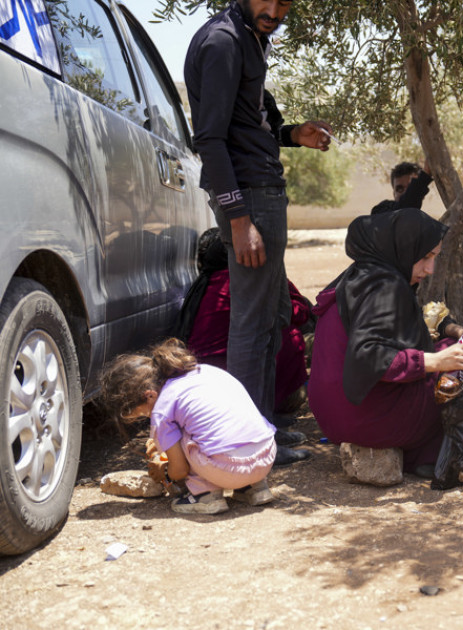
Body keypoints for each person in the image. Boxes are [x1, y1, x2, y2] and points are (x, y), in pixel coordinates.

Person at [184, 0, 333, 466]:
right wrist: (238, 216)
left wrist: (293, 135)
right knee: (251, 322)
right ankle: (246, 439)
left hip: (260, 188)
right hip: (248, 196)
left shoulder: (250, 38)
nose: (274, 9)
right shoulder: (224, 42)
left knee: (271, 316)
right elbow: (209, 137)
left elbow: (250, 124)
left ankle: (263, 424)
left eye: (284, 2)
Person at [307, 208, 463, 475]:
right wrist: (435, 360)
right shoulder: (385, 288)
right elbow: (369, 356)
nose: (430, 269)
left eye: (434, 258)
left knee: (446, 354)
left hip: (332, 415)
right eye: (424, 257)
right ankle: (430, 454)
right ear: (404, 249)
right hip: (363, 417)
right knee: (461, 366)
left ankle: (420, 453)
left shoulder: (359, 277)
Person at [100, 339, 278, 515]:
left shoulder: (162, 409)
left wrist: (166, 473)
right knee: (214, 428)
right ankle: (254, 488)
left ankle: (206, 496)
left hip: (228, 469)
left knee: (181, 437)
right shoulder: (204, 371)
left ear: (149, 395)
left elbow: (180, 470)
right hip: (266, 457)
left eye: (142, 413)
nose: (148, 417)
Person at [174, 228, 311, 437]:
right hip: (235, 388)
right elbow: (298, 314)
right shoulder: (246, 282)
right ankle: (269, 414)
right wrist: (281, 282)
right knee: (293, 335)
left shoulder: (207, 283)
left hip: (202, 389)